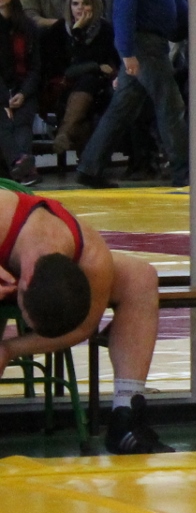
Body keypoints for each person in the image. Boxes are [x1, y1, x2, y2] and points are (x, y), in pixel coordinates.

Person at [0, 183, 172, 453]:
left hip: (23, 258)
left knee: (139, 278)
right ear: (25, 282)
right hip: (9, 239)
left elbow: (84, 326)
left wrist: (9, 349)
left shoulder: (92, 257)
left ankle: (126, 413)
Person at [76, 0, 189, 189]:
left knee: (123, 107)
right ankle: (184, 172)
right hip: (144, 44)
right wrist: (126, 52)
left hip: (152, 43)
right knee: (170, 105)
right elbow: (123, 9)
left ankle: (90, 167)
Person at [50, 0, 119, 161]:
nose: (80, 8)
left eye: (86, 3)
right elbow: (69, 69)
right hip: (65, 86)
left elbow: (114, 63)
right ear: (69, 6)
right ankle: (88, 165)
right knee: (87, 83)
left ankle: (65, 133)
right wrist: (96, 65)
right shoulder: (59, 29)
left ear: (94, 5)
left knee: (89, 81)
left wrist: (97, 69)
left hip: (99, 88)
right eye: (75, 4)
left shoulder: (105, 30)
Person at [0, 0, 42, 185]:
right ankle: (22, 166)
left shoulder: (28, 27)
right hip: (1, 91)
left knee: (22, 122)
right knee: (3, 120)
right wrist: (4, 100)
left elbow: (36, 67)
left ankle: (20, 166)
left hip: (24, 88)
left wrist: (23, 93)